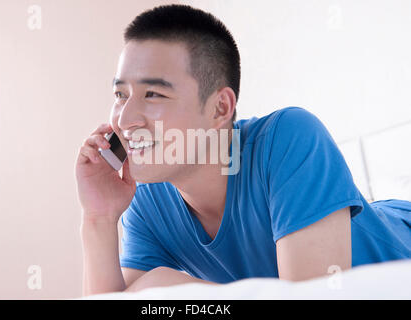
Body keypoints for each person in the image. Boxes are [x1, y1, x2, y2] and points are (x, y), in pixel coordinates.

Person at [75, 4, 411, 296]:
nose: (125, 118)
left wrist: (162, 286)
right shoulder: (148, 197)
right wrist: (99, 218)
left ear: (220, 108)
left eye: (153, 94)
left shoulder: (287, 139)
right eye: (120, 95)